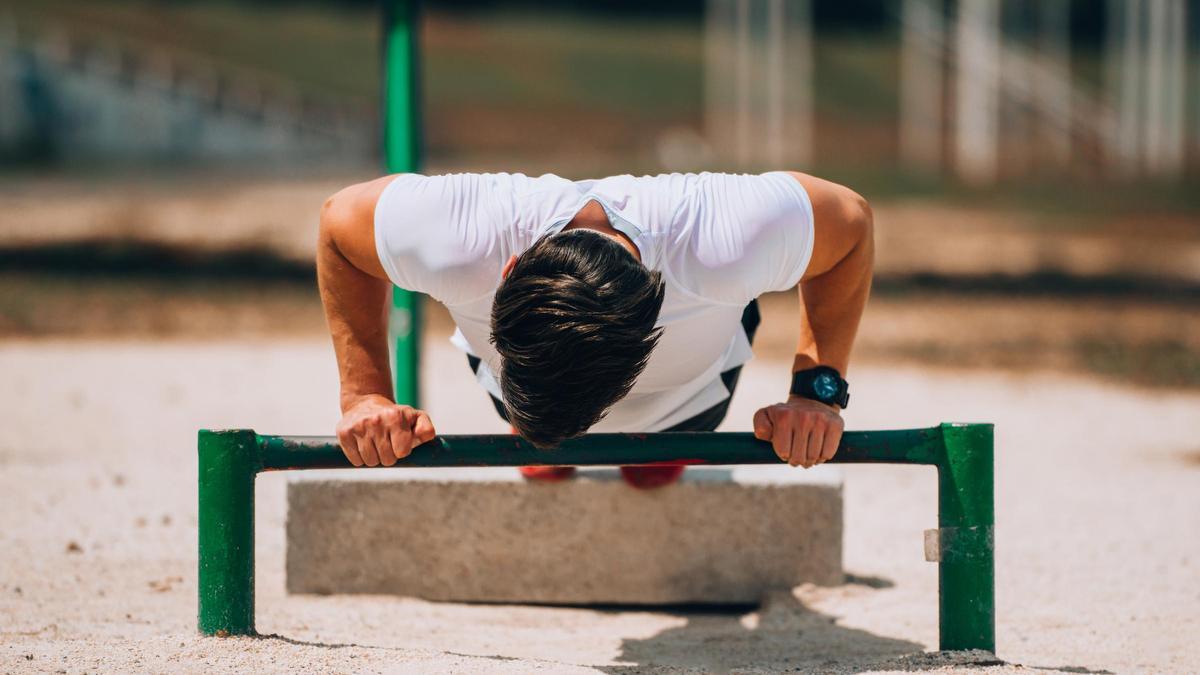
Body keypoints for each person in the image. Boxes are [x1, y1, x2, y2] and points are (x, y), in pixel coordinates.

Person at [316, 170, 873, 488]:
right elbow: (338, 229)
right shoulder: (463, 236)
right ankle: (539, 435)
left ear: (652, 319)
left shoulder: (721, 239)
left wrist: (817, 392)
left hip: (687, 395)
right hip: (511, 390)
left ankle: (641, 450)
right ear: (507, 270)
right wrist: (363, 394)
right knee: (546, 448)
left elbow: (851, 227)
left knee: (647, 473)